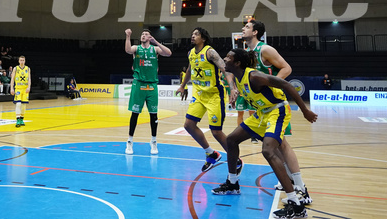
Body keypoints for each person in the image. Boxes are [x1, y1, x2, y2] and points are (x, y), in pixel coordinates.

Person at [211, 48, 318, 219]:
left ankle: (296, 205)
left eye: (228, 57)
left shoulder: (254, 76)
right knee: (231, 140)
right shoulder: (237, 76)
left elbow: (287, 85)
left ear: (237, 63)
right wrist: (233, 93)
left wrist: (305, 111)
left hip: (278, 111)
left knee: (268, 151)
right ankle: (232, 184)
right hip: (262, 113)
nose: (225, 58)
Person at [242, 19, 312, 203]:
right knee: (276, 144)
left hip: (275, 104)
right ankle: (289, 180)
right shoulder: (247, 52)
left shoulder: (265, 50)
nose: (243, 28)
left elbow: (286, 68)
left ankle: (300, 186)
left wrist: (271, 84)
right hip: (262, 106)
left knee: (283, 145)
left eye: (247, 27)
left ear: (256, 32)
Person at [176, 27, 240, 172]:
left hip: (213, 95)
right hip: (198, 95)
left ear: (203, 38)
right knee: (188, 125)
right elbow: (190, 70)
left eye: (196, 34)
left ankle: (235, 159)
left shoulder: (210, 52)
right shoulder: (191, 53)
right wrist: (183, 85)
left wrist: (232, 88)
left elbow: (225, 69)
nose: (192, 36)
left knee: (216, 132)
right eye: (192, 34)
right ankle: (211, 153)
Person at [124, 28, 172, 155]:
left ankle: (154, 141)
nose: (143, 35)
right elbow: (128, 50)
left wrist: (156, 41)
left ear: (150, 37)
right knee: (135, 114)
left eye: (146, 34)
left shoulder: (155, 50)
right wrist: (128, 36)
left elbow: (168, 53)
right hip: (138, 84)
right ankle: (129, 141)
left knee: (153, 115)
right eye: (142, 34)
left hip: (151, 85)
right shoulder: (136, 48)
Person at [10, 55, 31, 127]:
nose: (22, 61)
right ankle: (18, 119)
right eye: (21, 60)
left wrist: (29, 87)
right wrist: (11, 88)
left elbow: (29, 79)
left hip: (25, 89)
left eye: (23, 60)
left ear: (25, 61)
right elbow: (12, 79)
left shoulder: (28, 69)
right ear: (19, 61)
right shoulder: (15, 68)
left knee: (23, 105)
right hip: (18, 89)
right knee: (18, 104)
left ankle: (22, 119)